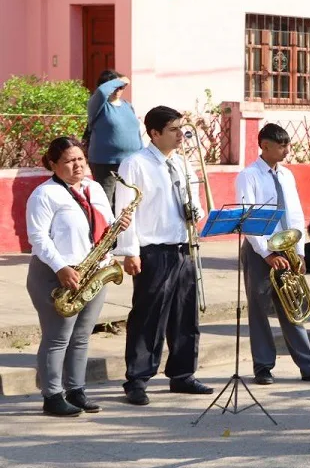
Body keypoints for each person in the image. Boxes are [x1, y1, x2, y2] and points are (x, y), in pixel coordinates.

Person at [26, 137, 130, 416]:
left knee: (82, 335)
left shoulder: (94, 188)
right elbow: (38, 238)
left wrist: (116, 230)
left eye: (80, 160)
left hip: (92, 270)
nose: (77, 166)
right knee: (58, 336)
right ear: (52, 164)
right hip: (55, 273)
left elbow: (104, 226)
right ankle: (52, 395)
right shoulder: (44, 194)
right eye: (69, 161)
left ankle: (76, 390)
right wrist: (61, 267)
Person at [114, 106, 211, 405]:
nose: (180, 134)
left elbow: (197, 203)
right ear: (154, 133)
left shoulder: (182, 163)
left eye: (181, 128)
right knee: (148, 316)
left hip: (183, 246)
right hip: (153, 249)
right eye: (173, 129)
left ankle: (182, 374)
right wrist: (130, 251)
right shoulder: (135, 164)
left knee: (185, 314)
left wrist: (198, 213)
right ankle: (138, 378)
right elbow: (125, 210)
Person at [235, 123, 310, 385]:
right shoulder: (248, 176)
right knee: (259, 309)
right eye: (280, 146)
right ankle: (263, 366)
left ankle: (309, 365)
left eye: (287, 145)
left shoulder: (286, 175)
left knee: (293, 306)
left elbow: (294, 214)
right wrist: (266, 253)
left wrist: (300, 252)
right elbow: (248, 219)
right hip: (261, 249)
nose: (285, 151)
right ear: (265, 146)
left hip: (287, 249)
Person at [84, 71, 142, 207]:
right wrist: (122, 80)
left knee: (127, 202)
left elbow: (136, 131)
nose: (118, 90)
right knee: (106, 203)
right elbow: (101, 92)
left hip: (129, 162)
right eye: (114, 86)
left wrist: (142, 154)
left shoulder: (127, 105)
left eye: (121, 87)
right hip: (105, 163)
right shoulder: (98, 106)